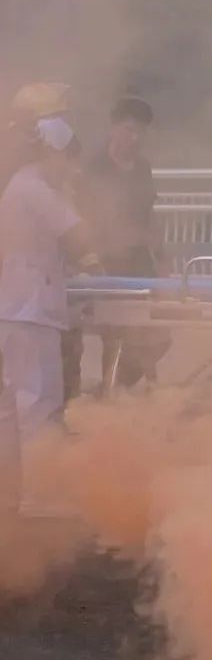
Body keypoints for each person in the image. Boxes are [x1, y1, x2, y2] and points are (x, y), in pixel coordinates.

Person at [0, 117, 101, 458]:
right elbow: (77, 234)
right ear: (51, 153)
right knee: (39, 405)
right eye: (68, 158)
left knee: (12, 411)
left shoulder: (19, 185)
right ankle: (38, 495)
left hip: (16, 308)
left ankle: (14, 496)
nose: (71, 167)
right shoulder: (35, 189)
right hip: (31, 311)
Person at [74, 96, 169, 393]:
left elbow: (150, 214)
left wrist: (162, 254)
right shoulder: (94, 167)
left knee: (155, 333)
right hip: (106, 261)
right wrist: (89, 259)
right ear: (114, 128)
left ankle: (121, 387)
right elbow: (81, 216)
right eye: (129, 130)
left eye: (140, 132)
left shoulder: (142, 167)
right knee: (114, 333)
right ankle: (110, 394)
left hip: (140, 261)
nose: (135, 138)